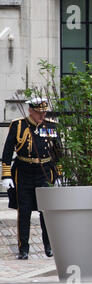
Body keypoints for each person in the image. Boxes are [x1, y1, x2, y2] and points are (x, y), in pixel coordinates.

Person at [1, 98, 59, 260]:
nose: (42, 115)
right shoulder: (18, 125)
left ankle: (48, 246)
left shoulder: (51, 126)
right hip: (24, 171)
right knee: (24, 211)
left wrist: (58, 174)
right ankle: (23, 249)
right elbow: (7, 152)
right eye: (39, 112)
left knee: (45, 211)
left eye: (44, 112)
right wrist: (6, 175)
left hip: (44, 171)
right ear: (31, 111)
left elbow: (58, 153)